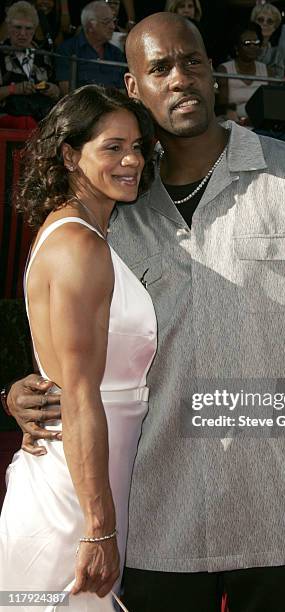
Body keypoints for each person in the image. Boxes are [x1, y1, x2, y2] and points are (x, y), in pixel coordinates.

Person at [6, 13, 285, 612]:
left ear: (215, 75)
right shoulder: (114, 211)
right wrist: (24, 390)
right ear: (134, 88)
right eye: (159, 68)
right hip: (158, 515)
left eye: (193, 62)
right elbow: (72, 335)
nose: (180, 78)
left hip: (282, 508)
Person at [0, 85, 156, 608]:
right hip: (75, 488)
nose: (132, 159)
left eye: (136, 146)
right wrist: (97, 527)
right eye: (112, 147)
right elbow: (82, 393)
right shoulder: (79, 245)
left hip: (89, 471)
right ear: (71, 155)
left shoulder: (86, 233)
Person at [0, 1, 59, 122]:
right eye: (18, 27)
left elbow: (58, 92)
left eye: (28, 28)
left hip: (42, 120)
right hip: (8, 121)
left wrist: (52, 89)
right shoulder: (1, 53)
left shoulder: (44, 56)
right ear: (8, 27)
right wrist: (14, 89)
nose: (23, 33)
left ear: (35, 30)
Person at [55, 0, 126, 96]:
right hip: (83, 108)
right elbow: (67, 92)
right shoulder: (68, 49)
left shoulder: (116, 53)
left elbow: (123, 91)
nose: (112, 27)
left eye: (114, 21)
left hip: (113, 107)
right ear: (90, 26)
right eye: (106, 22)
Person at [217, 22, 271, 126]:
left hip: (260, 125)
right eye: (247, 43)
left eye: (256, 43)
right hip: (231, 123)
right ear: (237, 47)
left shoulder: (268, 71)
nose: (252, 47)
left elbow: (271, 105)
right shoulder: (224, 70)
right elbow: (223, 105)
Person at [251, 2, 285, 77]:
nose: (265, 24)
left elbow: (279, 80)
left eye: (270, 21)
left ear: (275, 27)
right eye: (260, 20)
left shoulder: (277, 54)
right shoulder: (244, 46)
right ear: (253, 22)